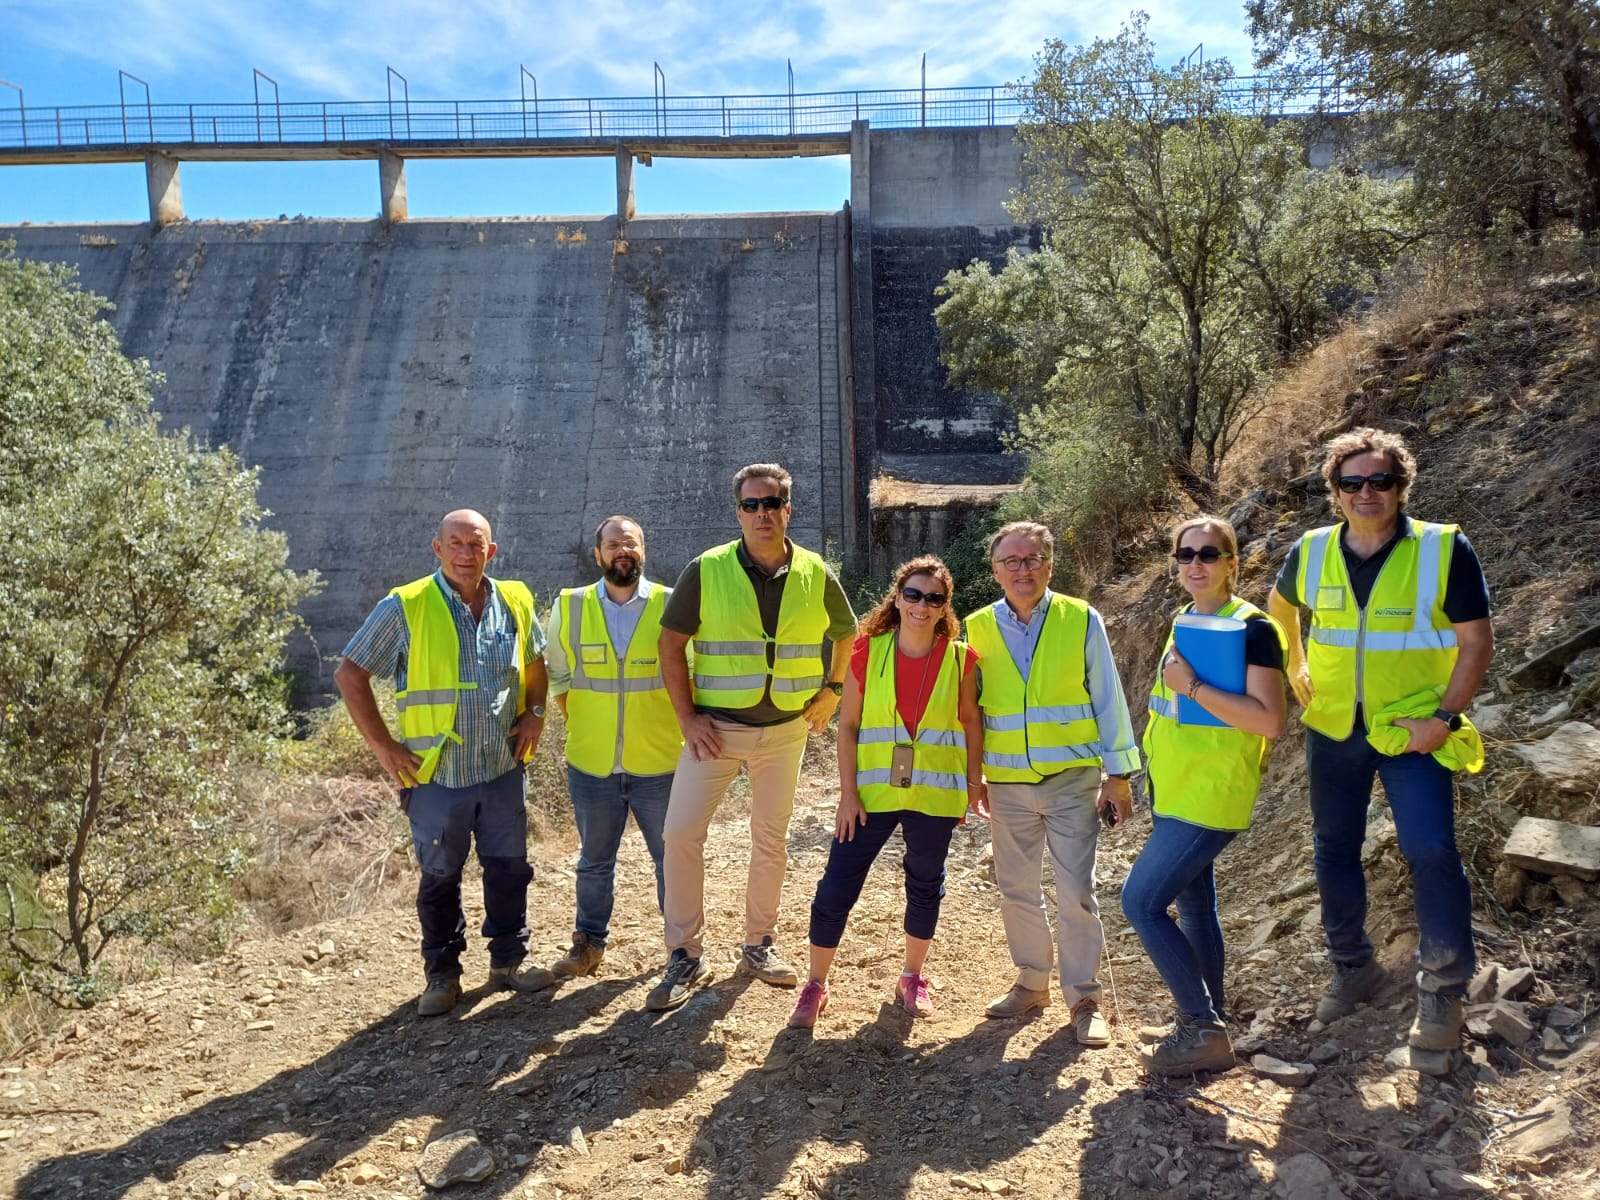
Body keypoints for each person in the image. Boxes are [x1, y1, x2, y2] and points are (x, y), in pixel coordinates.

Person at [1268, 427, 1494, 1051]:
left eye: (1380, 481)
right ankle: (1353, 967)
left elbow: (1476, 642)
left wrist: (1445, 719)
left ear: (1400, 486)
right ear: (1334, 492)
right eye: (1352, 482)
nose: (1367, 492)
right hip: (1335, 728)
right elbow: (1278, 613)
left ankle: (1444, 991)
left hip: (1413, 729)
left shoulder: (1444, 549)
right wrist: (1295, 667)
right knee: (1334, 848)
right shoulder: (1311, 550)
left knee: (1430, 850)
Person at [647, 463, 858, 1012]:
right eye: (752, 505)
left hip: (784, 732)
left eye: (772, 503)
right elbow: (670, 646)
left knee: (771, 839)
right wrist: (687, 718)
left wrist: (832, 690)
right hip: (714, 732)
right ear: (738, 511)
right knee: (680, 835)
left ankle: (759, 943)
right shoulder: (707, 569)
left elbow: (847, 633)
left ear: (789, 509)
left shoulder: (814, 571)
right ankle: (685, 954)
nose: (762, 513)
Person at [334, 509, 549, 1017]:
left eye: (476, 545)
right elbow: (350, 675)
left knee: (509, 871)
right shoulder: (405, 605)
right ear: (437, 548)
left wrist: (535, 712)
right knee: (439, 878)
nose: (466, 554)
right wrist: (386, 749)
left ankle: (508, 963)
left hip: (500, 768)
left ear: (491, 552)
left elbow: (538, 664)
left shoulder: (514, 599)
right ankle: (443, 975)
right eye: (455, 544)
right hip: (435, 776)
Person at [788, 556, 989, 1028]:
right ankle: (815, 985)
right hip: (872, 793)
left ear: (945, 607)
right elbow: (850, 725)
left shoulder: (961, 658)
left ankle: (911, 977)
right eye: (913, 595)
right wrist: (848, 794)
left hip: (934, 795)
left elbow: (970, 721)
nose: (922, 605)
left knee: (924, 885)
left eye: (933, 598)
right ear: (897, 598)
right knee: (836, 885)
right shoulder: (867, 650)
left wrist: (975, 783)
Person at [964, 520, 1140, 1047]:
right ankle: (1030, 982)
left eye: (1033, 559)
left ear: (1050, 565)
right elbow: (967, 713)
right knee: (1017, 889)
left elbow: (1108, 699)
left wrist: (1119, 774)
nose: (1023, 570)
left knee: (1075, 892)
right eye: (1012, 562)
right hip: (1009, 784)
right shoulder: (974, 628)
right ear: (995, 570)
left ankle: (1084, 997)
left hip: (1072, 780)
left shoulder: (1081, 619)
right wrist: (972, 779)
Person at [1123, 516, 1287, 1074]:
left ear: (1233, 563)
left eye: (1210, 554)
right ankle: (1205, 1015)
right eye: (1186, 554)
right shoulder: (1186, 618)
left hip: (1212, 794)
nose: (1196, 563)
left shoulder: (1254, 628)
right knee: (1194, 904)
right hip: (1175, 786)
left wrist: (1191, 686)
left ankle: (1200, 1027)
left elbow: (1268, 721)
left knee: (1140, 902)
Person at [520, 515, 681, 989]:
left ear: (643, 552)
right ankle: (588, 945)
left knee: (672, 859)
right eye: (613, 545)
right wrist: (593, 725)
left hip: (659, 761)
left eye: (629, 544)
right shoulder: (569, 607)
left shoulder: (671, 605)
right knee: (594, 861)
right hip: (592, 764)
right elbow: (562, 682)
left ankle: (681, 948)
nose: (621, 551)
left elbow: (686, 676)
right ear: (598, 555)